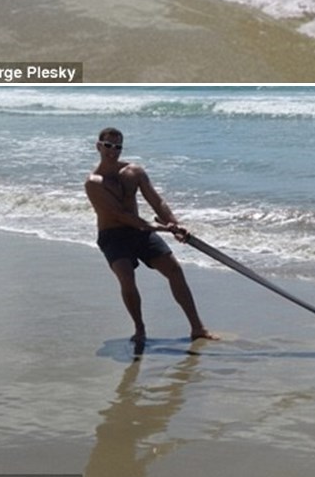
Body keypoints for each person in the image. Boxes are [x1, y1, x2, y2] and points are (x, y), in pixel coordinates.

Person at [85, 127, 219, 344]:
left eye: (118, 146)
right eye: (108, 146)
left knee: (175, 270)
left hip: (140, 232)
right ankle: (140, 330)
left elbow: (157, 202)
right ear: (98, 146)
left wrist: (175, 224)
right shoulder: (94, 182)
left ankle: (197, 328)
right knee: (127, 277)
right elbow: (120, 215)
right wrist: (161, 229)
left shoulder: (133, 172)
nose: (113, 151)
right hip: (113, 235)